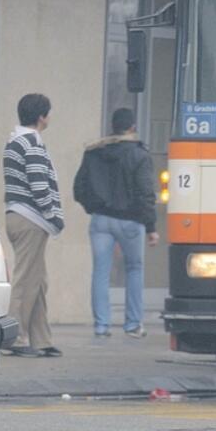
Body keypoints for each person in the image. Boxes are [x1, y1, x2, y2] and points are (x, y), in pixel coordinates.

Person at [73, 107, 158, 339]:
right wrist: (151, 227)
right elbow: (145, 193)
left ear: (113, 126)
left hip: (100, 220)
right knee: (134, 269)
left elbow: (79, 188)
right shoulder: (140, 155)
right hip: (131, 221)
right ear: (132, 127)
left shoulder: (94, 152)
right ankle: (133, 325)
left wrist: (93, 207)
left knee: (100, 272)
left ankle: (102, 325)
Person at [2, 93, 64, 358]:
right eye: (48, 113)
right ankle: (14, 338)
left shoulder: (14, 141)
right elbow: (39, 184)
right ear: (41, 117)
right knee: (26, 280)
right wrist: (52, 215)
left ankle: (41, 340)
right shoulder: (32, 143)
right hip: (31, 218)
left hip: (18, 215)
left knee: (37, 281)